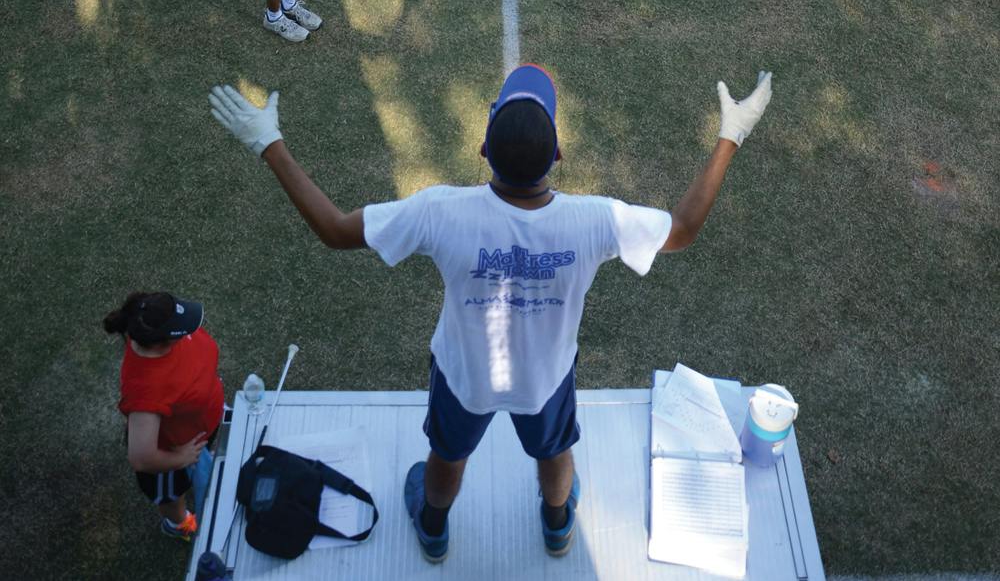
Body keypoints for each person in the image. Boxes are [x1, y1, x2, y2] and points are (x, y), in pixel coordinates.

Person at [207, 61, 773, 564]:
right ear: (557, 156)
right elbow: (684, 228)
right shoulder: (595, 221)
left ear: (482, 150)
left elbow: (333, 230)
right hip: (546, 382)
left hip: (464, 378)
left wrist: (269, 142)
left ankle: (432, 528)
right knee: (555, 453)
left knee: (446, 456)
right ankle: (556, 526)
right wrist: (730, 135)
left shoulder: (440, 212)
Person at [103, 291, 223, 544]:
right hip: (171, 449)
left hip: (198, 427)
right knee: (171, 494)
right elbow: (141, 457)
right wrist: (181, 458)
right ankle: (180, 524)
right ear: (162, 342)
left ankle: (195, 470)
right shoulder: (146, 390)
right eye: (182, 329)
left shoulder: (152, 319)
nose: (190, 328)